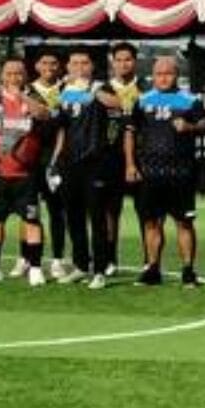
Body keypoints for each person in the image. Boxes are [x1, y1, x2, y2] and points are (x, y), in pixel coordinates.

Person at [125, 55, 205, 288]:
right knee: (151, 222)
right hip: (150, 174)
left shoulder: (191, 101)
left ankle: (188, 271)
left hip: (181, 174)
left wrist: (190, 126)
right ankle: (152, 269)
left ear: (177, 75)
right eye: (159, 74)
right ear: (153, 76)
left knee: (184, 223)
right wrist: (130, 165)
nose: (164, 78)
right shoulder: (142, 101)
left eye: (169, 73)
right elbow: (130, 133)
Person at [0, 56, 51, 286]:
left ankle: (35, 268)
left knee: (32, 221)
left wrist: (22, 97)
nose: (14, 77)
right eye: (9, 73)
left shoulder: (34, 98)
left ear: (25, 76)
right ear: (2, 76)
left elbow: (44, 115)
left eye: (18, 73)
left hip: (27, 174)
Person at [51, 48, 120, 290]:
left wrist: (90, 88)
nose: (79, 67)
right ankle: (81, 265)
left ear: (91, 67)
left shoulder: (102, 86)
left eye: (84, 63)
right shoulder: (64, 90)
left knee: (97, 217)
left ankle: (100, 270)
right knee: (73, 216)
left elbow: (117, 104)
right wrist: (55, 160)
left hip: (95, 162)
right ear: (68, 67)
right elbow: (61, 127)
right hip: (69, 163)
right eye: (75, 63)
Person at [22, 47, 68, 279]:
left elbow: (65, 128)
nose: (49, 67)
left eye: (53, 63)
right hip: (28, 159)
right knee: (29, 211)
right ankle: (26, 258)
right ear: (36, 66)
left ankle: (57, 260)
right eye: (44, 63)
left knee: (56, 211)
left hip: (55, 159)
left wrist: (57, 159)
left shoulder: (66, 91)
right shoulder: (26, 90)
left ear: (59, 67)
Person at [104, 41, 148, 275]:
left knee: (146, 211)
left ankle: (149, 260)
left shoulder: (147, 88)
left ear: (135, 62)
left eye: (128, 59)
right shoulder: (102, 90)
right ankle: (110, 259)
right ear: (112, 63)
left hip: (142, 158)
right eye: (119, 60)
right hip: (111, 159)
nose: (123, 64)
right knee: (111, 211)